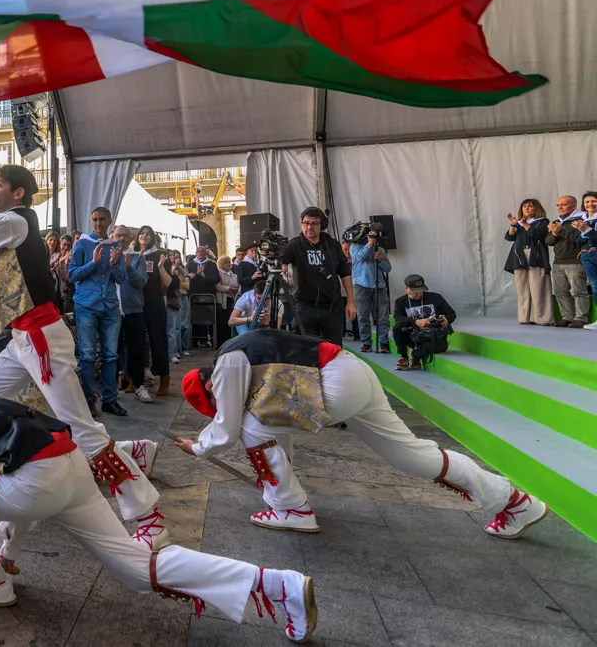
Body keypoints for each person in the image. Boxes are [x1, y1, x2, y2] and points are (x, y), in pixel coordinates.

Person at [0, 395, 316, 642]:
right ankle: (280, 585)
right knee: (138, 569)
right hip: (70, 464)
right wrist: (10, 546)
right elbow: (16, 465)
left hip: (40, 481)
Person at [0, 165, 169, 550]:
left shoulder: (16, 222)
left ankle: (148, 515)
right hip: (23, 339)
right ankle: (16, 501)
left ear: (18, 192)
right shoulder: (7, 221)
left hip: (41, 339)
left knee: (81, 428)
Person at [174, 329, 546, 540]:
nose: (220, 404)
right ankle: (513, 501)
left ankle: (291, 508)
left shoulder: (227, 363)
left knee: (250, 425)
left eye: (213, 402)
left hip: (334, 380)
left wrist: (198, 447)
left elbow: (228, 427)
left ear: (208, 385)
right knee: (413, 456)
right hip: (352, 371)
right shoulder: (237, 351)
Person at [69, 207, 127, 416]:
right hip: (87, 305)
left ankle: (109, 400)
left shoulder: (116, 246)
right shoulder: (82, 244)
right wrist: (92, 263)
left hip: (109, 305)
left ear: (109, 221)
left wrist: (114, 264)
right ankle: (88, 400)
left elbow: (120, 278)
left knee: (110, 355)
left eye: (102, 219)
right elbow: (72, 275)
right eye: (95, 219)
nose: (98, 223)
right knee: (87, 354)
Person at [279, 208, 354, 344]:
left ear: (322, 225)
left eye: (314, 223)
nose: (309, 227)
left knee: (334, 349)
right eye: (306, 223)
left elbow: (345, 273)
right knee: (306, 349)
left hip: (332, 307)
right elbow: (281, 257)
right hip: (305, 306)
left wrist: (350, 302)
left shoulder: (333, 245)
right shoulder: (295, 245)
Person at [111, 225, 150, 404]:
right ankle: (112, 386)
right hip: (112, 311)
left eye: (124, 236)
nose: (121, 239)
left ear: (130, 238)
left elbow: (141, 281)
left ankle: (139, 385)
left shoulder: (137, 258)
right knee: (113, 349)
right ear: (113, 236)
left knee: (136, 349)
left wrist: (128, 268)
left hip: (133, 310)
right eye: (118, 235)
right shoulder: (106, 255)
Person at [392, 274, 458, 370]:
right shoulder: (401, 302)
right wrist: (415, 322)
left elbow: (452, 314)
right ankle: (404, 357)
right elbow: (398, 318)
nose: (419, 294)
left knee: (432, 345)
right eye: (415, 292)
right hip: (413, 335)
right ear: (407, 288)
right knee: (397, 329)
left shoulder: (436, 297)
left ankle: (415, 357)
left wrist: (446, 320)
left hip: (432, 336)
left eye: (421, 291)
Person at [504, 198, 552, 326]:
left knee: (538, 287)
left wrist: (525, 224)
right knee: (522, 288)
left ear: (537, 208)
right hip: (519, 255)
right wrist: (513, 225)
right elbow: (509, 237)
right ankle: (525, 317)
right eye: (524, 206)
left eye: (530, 206)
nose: (526, 208)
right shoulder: (519, 223)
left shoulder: (542, 221)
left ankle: (542, 318)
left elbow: (537, 235)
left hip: (535, 255)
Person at [137, 227, 171, 396]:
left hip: (154, 302)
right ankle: (134, 379)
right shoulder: (133, 254)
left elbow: (168, 282)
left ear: (153, 237)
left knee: (158, 340)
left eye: (148, 233)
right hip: (135, 303)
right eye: (142, 233)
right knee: (135, 341)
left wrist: (161, 267)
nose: (144, 236)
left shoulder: (160, 255)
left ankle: (164, 378)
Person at [546, 195, 589, 328]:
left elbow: (577, 239)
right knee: (560, 292)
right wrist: (554, 233)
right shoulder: (557, 221)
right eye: (558, 205)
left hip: (575, 261)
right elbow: (549, 241)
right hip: (558, 261)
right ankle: (567, 317)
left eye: (564, 204)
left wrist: (560, 231)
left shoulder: (581, 220)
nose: (560, 207)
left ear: (574, 205)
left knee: (578, 291)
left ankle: (581, 318)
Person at [350, 228, 392, 353]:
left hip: (379, 286)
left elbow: (388, 268)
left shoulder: (380, 250)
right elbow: (360, 257)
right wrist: (369, 244)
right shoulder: (354, 247)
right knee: (363, 316)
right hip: (361, 285)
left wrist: (380, 261)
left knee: (383, 316)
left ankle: (383, 343)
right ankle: (366, 343)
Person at [578, 192, 597, 330]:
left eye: (593, 201)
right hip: (586, 255)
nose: (590, 204)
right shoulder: (582, 219)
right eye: (587, 202)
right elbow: (577, 240)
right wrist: (583, 231)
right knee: (595, 286)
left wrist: (587, 230)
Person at [215, 256, 239, 346]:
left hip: (232, 299)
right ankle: (221, 342)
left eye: (229, 262)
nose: (228, 264)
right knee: (222, 322)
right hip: (223, 300)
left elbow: (238, 284)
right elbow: (217, 286)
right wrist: (229, 288)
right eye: (225, 263)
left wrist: (236, 289)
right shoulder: (219, 274)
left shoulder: (233, 274)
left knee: (230, 320)